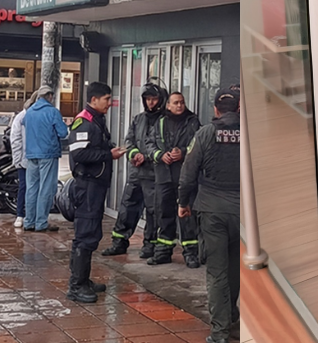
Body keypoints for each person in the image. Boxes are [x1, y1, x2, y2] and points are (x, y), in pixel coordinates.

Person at [179, 88, 242, 343]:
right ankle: (230, 315)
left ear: (215, 110)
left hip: (213, 211)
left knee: (217, 272)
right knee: (234, 268)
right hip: (243, 213)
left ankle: (220, 332)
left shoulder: (205, 134)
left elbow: (188, 174)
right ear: (238, 109)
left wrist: (183, 203)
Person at [66, 82, 127, 303]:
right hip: (87, 186)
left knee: (91, 234)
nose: (110, 104)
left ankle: (83, 280)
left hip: (96, 186)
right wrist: (108, 155)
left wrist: (108, 150)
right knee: (86, 235)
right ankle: (76, 286)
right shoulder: (84, 121)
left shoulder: (96, 120)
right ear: (94, 100)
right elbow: (80, 154)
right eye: (107, 99)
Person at [100, 82, 164, 259]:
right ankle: (119, 242)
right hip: (137, 172)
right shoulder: (138, 119)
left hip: (155, 173)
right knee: (127, 207)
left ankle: (149, 245)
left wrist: (149, 156)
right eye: (147, 99)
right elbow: (129, 140)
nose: (151, 103)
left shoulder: (165, 120)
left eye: (154, 99)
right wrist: (134, 154)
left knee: (153, 211)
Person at [144, 91, 202, 267]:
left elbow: (199, 145)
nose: (179, 106)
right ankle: (163, 251)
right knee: (163, 212)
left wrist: (183, 153)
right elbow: (149, 144)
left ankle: (191, 253)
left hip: (185, 176)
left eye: (182, 103)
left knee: (187, 215)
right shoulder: (160, 122)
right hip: (164, 176)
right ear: (168, 105)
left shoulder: (193, 122)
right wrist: (160, 155)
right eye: (175, 103)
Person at [22, 86, 68, 232]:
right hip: (48, 153)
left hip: (31, 154)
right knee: (46, 189)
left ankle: (29, 221)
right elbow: (63, 132)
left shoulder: (29, 112)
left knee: (31, 188)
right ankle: (41, 222)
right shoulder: (52, 112)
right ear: (49, 96)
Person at [10, 91, 39, 229]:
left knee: (35, 187)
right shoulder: (22, 117)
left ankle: (32, 215)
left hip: (37, 157)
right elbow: (15, 139)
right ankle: (20, 214)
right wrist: (18, 159)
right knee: (24, 186)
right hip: (25, 158)